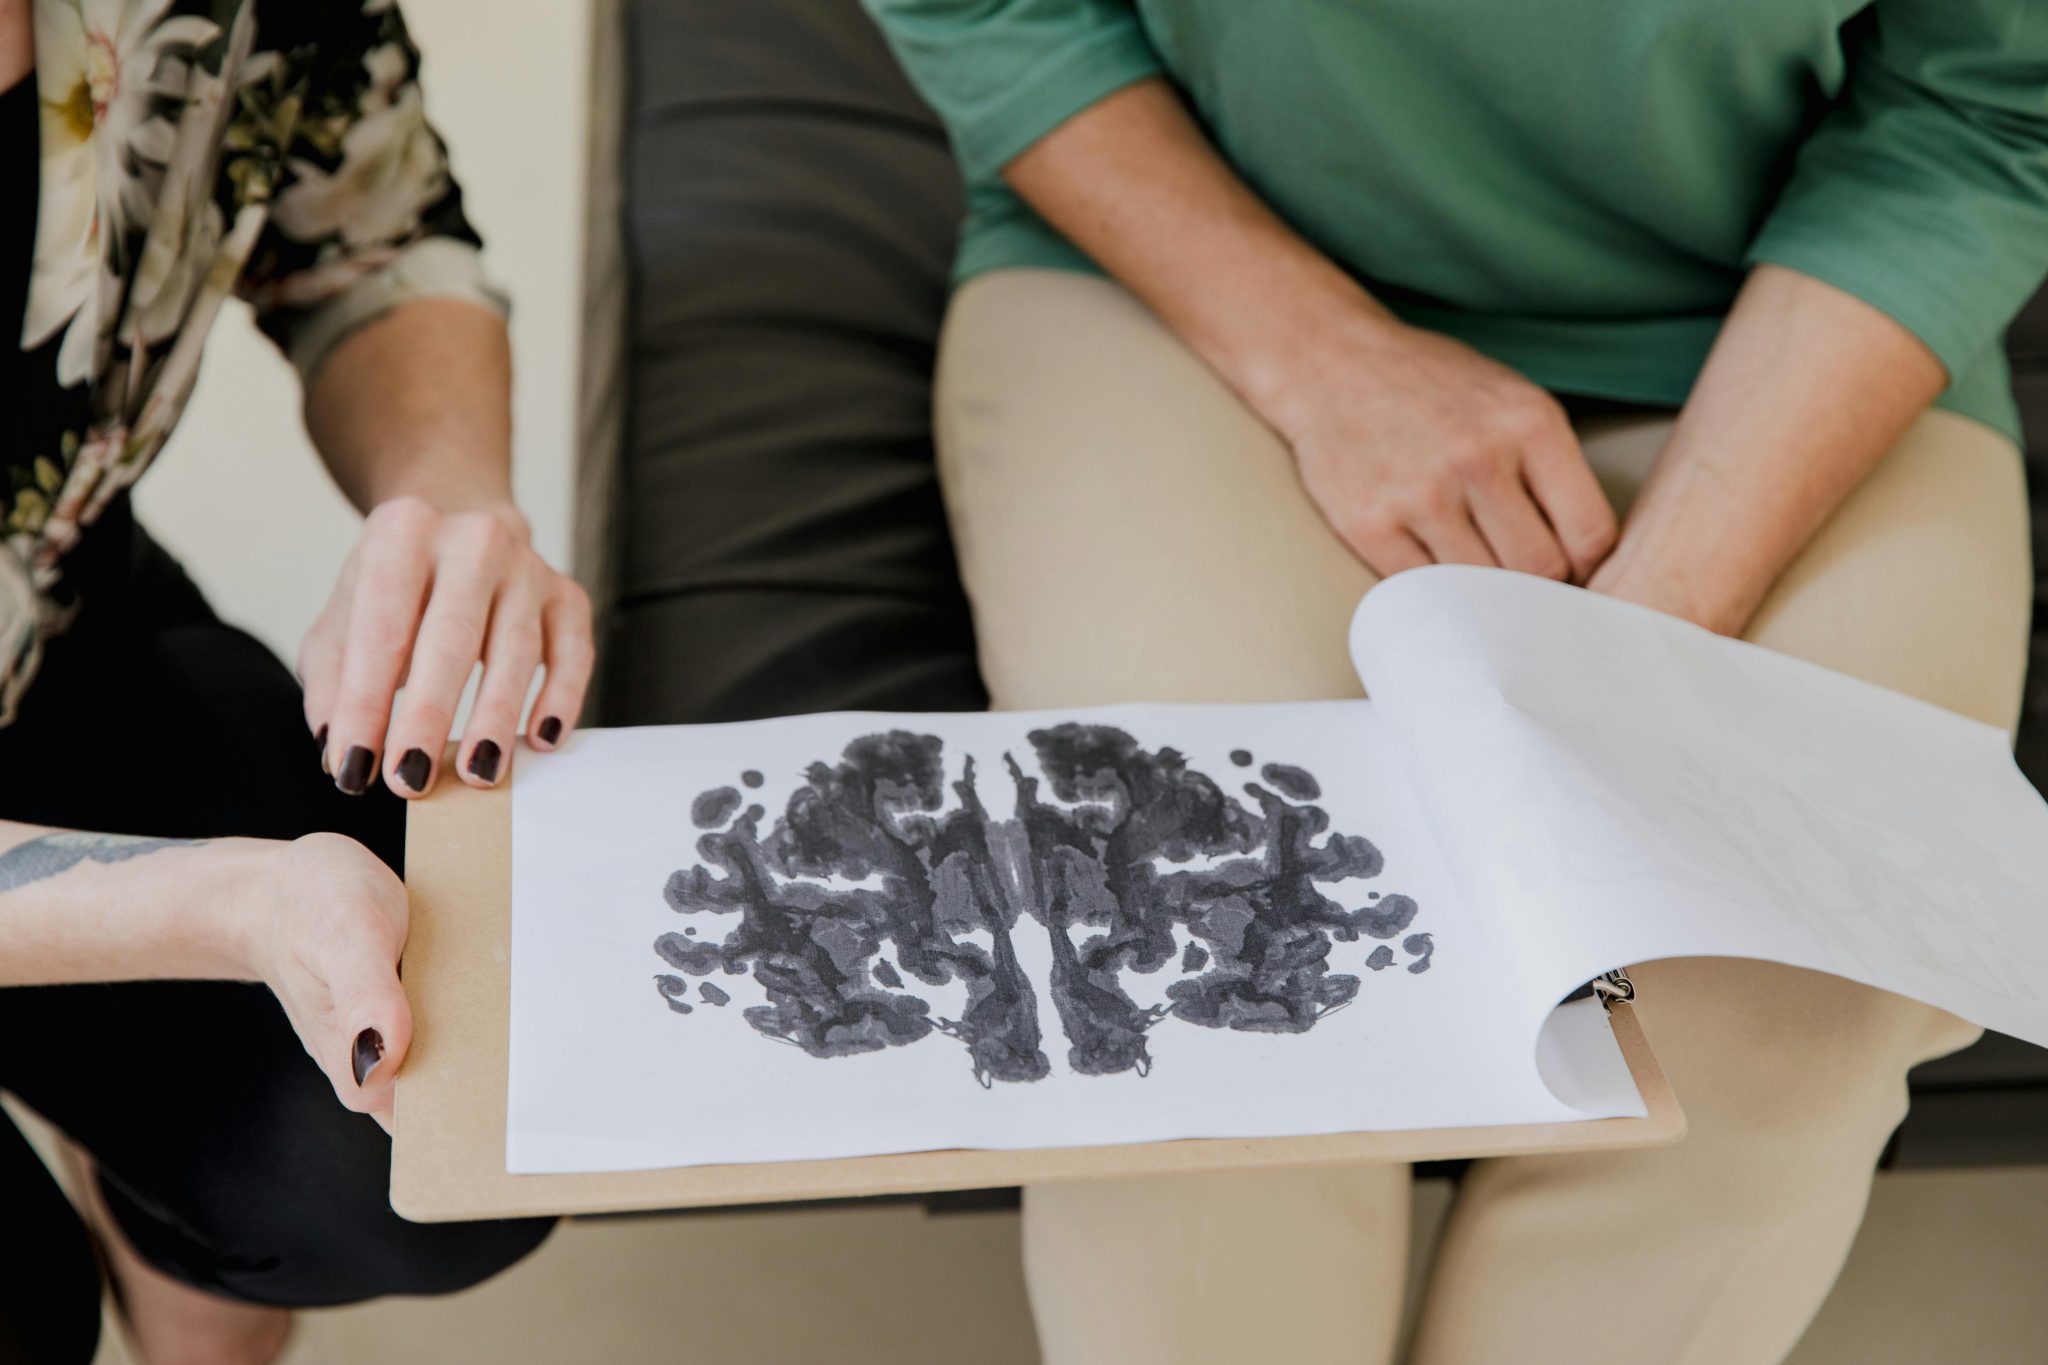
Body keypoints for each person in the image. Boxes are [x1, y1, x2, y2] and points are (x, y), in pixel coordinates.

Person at [861, 2, 2048, 1362]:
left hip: (1796, 310)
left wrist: (1665, 600)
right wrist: (1326, 361)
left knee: (1790, 1006)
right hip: (1196, 271)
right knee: (1208, 970)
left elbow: (1989, 96)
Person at [0, 1, 594, 1361]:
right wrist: (216, 905)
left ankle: (153, 1203)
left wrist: (445, 506)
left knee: (415, 1137)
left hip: (50, 624)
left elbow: (374, 239)